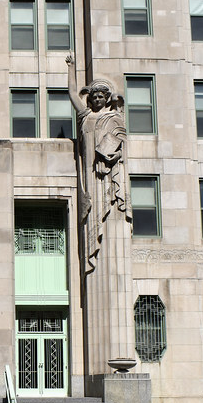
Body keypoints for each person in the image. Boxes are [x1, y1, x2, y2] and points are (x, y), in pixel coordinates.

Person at [65, 54, 127, 274]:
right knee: (91, 211)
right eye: (94, 97)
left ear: (106, 98)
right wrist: (71, 68)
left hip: (107, 173)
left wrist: (111, 155)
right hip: (90, 174)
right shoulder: (85, 116)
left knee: (107, 212)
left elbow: (120, 141)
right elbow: (72, 94)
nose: (98, 99)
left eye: (101, 96)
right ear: (90, 100)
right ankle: (91, 250)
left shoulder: (113, 118)